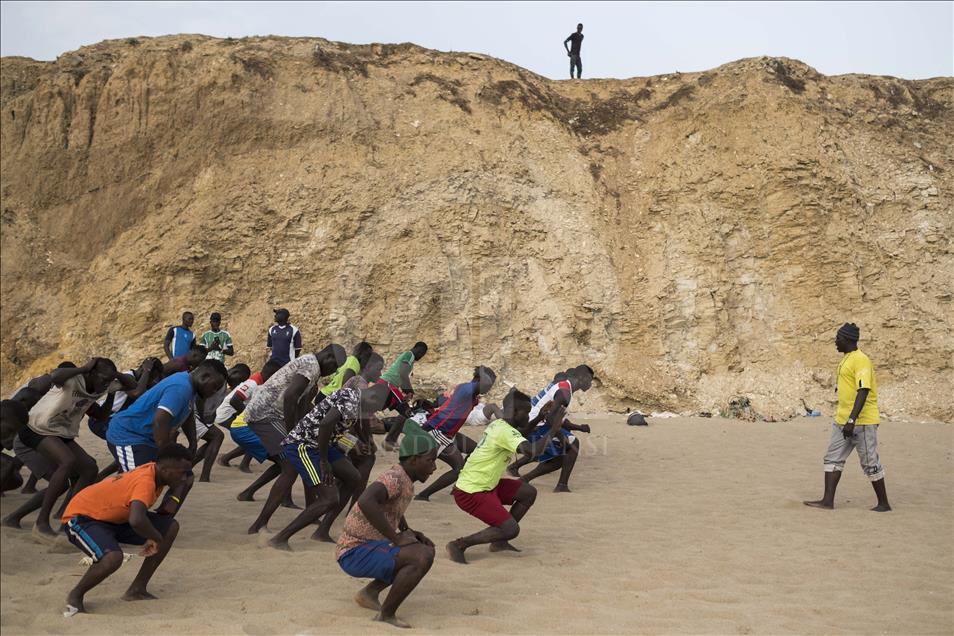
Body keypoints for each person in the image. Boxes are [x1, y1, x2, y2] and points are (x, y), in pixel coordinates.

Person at [61, 443, 193, 616]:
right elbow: (137, 520)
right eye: (182, 473)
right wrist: (155, 538)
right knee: (113, 558)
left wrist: (178, 490)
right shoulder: (145, 481)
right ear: (166, 470)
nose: (184, 478)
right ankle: (76, 595)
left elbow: (164, 513)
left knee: (170, 527)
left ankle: (137, 588)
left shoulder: (157, 473)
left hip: (114, 517)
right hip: (83, 518)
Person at [264, 379, 390, 549]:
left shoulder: (361, 403)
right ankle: (280, 538)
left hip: (324, 444)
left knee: (353, 477)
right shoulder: (350, 396)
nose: (376, 411)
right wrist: (324, 462)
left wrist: (367, 443)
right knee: (328, 498)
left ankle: (322, 531)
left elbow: (361, 426)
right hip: (304, 445)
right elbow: (326, 423)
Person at [336, 420, 438, 628]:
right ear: (415, 459)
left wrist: (407, 531)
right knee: (421, 556)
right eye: (430, 461)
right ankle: (386, 614)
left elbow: (392, 507)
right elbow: (366, 501)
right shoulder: (395, 476)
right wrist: (396, 538)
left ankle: (370, 593)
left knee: (424, 548)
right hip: (354, 551)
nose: (434, 467)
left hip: (369, 547)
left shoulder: (405, 478)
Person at [446, 389, 566, 564]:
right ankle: (459, 545)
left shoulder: (500, 425)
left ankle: (499, 541)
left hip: (484, 485)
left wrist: (540, 417)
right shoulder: (505, 432)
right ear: (515, 412)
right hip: (471, 492)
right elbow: (532, 451)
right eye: (526, 412)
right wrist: (554, 428)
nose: (527, 416)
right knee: (511, 528)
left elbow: (520, 435)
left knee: (528, 492)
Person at [17, 358, 127, 538]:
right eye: (102, 379)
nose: (105, 383)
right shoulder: (73, 379)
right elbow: (56, 375)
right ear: (91, 373)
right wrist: (83, 368)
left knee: (90, 468)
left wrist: (112, 390)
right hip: (36, 428)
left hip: (61, 433)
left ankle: (68, 519)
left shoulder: (101, 387)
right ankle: (41, 522)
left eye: (108, 380)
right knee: (67, 462)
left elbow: (103, 413)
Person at [243, 344, 345, 533]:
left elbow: (300, 403)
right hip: (265, 414)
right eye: (335, 366)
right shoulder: (311, 365)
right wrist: (293, 434)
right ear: (329, 357)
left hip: (272, 414)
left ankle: (303, 509)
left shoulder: (310, 365)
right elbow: (291, 396)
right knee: (290, 465)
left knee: (297, 458)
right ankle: (259, 524)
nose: (334, 371)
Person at [805, 323, 891, 512]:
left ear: (847, 340)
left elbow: (863, 390)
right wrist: (845, 420)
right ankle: (827, 501)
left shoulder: (861, 360)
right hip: (842, 421)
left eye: (838, 338)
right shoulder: (846, 359)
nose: (835, 341)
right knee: (832, 459)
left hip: (862, 422)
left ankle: (883, 503)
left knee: (869, 462)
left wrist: (852, 420)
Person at [106, 360, 228, 473]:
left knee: (182, 478)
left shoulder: (189, 385)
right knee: (141, 481)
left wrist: (193, 443)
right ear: (205, 376)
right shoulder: (181, 387)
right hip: (129, 435)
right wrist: (166, 456)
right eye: (215, 386)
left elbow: (188, 413)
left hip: (146, 439)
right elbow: (160, 421)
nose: (214, 391)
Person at [414, 366, 496, 501]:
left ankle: (457, 486)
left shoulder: (471, 393)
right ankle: (423, 495)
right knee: (458, 468)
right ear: (478, 379)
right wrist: (481, 370)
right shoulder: (467, 389)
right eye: (488, 384)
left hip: (447, 432)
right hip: (438, 431)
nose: (489, 388)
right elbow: (484, 382)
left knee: (476, 451)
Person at [508, 365, 594, 492]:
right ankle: (561, 485)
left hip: (534, 424)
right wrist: (560, 436)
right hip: (533, 427)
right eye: (590, 380)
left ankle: (526, 479)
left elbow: (557, 418)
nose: (590, 384)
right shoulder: (564, 393)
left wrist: (577, 428)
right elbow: (549, 418)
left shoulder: (564, 388)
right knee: (573, 444)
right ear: (582, 378)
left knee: (565, 451)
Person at [216, 360, 282, 472]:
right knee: (250, 437)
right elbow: (235, 401)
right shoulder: (254, 383)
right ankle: (232, 460)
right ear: (272, 375)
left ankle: (232, 460)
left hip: (231, 412)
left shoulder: (258, 382)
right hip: (226, 414)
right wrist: (250, 416)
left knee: (252, 436)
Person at [191, 364, 250, 482]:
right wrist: (202, 417)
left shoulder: (223, 383)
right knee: (217, 436)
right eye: (240, 380)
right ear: (235, 372)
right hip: (192, 413)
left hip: (198, 414)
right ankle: (204, 476)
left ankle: (189, 467)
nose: (238, 384)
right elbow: (200, 396)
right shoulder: (219, 379)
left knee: (212, 440)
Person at [380, 342, 428, 450]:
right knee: (407, 412)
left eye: (423, 354)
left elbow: (401, 376)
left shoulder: (409, 360)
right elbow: (402, 374)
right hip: (389, 385)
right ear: (416, 349)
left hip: (389, 385)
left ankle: (390, 440)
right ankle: (390, 441)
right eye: (421, 352)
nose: (421, 356)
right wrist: (409, 390)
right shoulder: (409, 355)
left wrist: (406, 392)